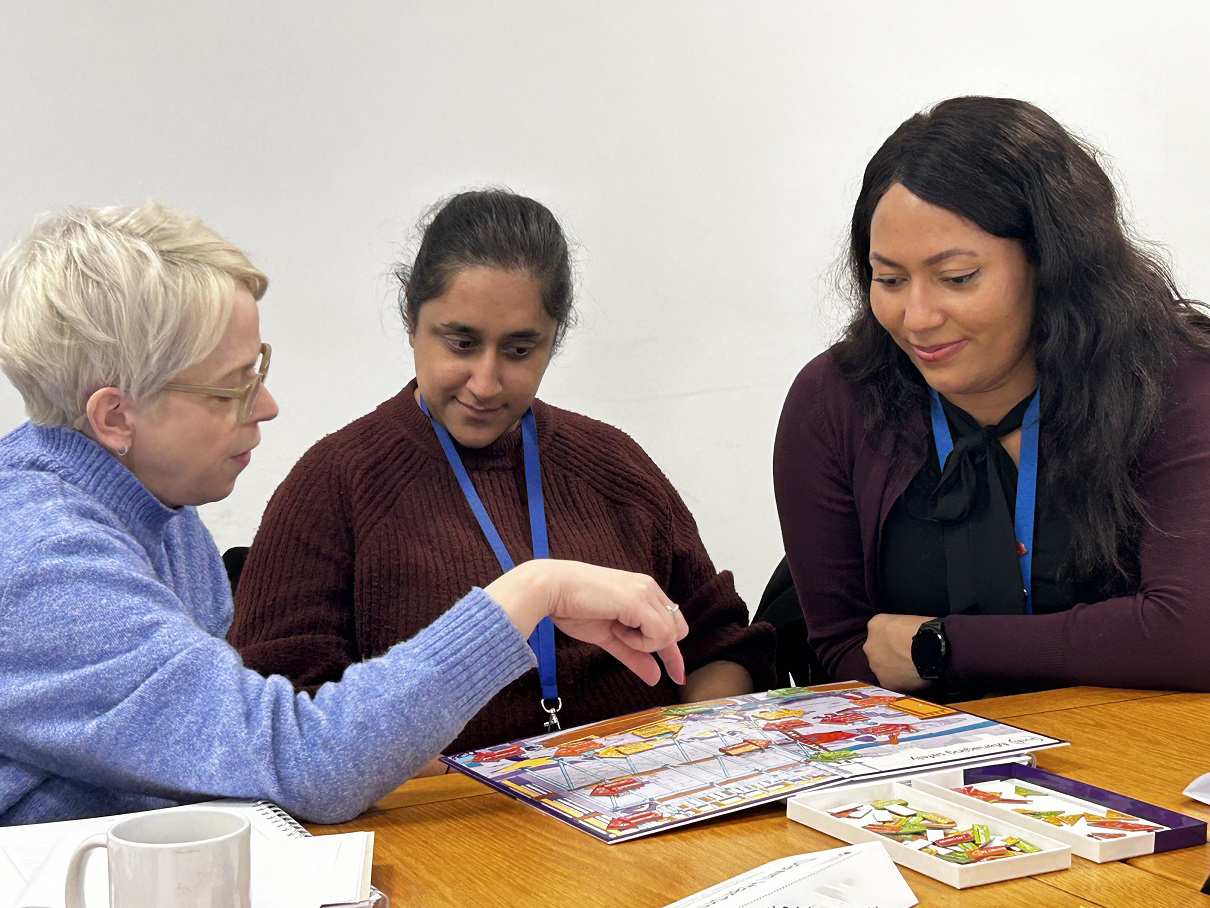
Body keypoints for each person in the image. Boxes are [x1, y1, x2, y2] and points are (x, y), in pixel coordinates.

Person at [0, 201, 689, 826]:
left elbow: (232, 769)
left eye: (259, 371)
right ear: (115, 415)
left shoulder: (162, 514)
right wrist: (533, 591)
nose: (266, 407)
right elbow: (302, 763)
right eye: (231, 389)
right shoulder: (39, 557)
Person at [229, 189, 774, 755]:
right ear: (411, 324)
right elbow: (284, 727)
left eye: (519, 350)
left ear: (553, 339)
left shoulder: (615, 467)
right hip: (442, 825)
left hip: (635, 806)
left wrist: (702, 753)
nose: (485, 383)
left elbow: (720, 646)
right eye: (460, 343)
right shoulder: (334, 486)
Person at [774, 96, 1210, 698]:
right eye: (890, 280)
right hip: (930, 771)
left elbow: (1191, 637)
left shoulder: (1173, 382)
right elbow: (845, 651)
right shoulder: (834, 401)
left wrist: (940, 647)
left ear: (1051, 263)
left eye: (957, 278)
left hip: (1138, 758)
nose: (918, 318)